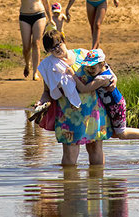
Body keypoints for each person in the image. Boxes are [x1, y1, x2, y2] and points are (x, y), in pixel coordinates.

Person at [35, 29, 113, 166]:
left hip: (92, 111)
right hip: (68, 116)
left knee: (95, 149)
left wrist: (115, 79)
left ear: (64, 41)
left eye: (58, 44)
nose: (57, 49)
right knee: (70, 156)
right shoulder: (49, 66)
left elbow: (105, 68)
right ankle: (69, 186)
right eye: (52, 48)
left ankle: (97, 183)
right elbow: (47, 91)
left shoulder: (83, 54)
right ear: (48, 51)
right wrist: (41, 102)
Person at [75, 48, 139, 152]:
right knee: (114, 133)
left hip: (115, 106)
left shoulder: (102, 78)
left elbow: (84, 89)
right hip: (113, 104)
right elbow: (111, 73)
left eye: (92, 68)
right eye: (87, 67)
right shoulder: (105, 67)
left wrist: (72, 75)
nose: (89, 70)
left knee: (121, 134)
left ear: (101, 65)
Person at [9, 0, 52, 80]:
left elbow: (46, 2)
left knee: (36, 43)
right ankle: (27, 64)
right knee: (26, 46)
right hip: (25, 17)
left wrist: (51, 18)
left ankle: (35, 72)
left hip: (39, 15)